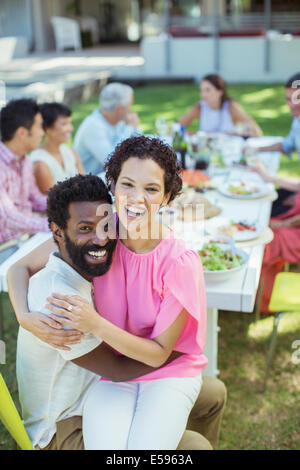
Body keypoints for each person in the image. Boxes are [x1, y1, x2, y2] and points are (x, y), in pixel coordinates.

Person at [7, 141, 226, 449]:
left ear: (167, 196)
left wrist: (175, 357)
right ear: (112, 185)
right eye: (127, 184)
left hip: (126, 371)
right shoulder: (96, 241)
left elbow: (158, 353)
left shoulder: (151, 250)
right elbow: (20, 267)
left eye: (151, 189)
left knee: (212, 392)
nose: (137, 198)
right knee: (190, 448)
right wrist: (24, 317)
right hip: (84, 401)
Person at [246, 73, 300, 217]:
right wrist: (256, 149)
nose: (291, 104)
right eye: (288, 99)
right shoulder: (298, 120)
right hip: (297, 190)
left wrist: (269, 177)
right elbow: (287, 145)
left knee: (263, 215)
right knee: (259, 202)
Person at [0, 99, 50, 250]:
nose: (43, 132)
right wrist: (51, 225)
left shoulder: (25, 160)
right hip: (6, 248)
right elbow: (6, 217)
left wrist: (69, 206)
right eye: (39, 126)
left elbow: (36, 200)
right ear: (21, 132)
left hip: (27, 239)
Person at [251, 160, 300, 313]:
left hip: (295, 228)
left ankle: (261, 295)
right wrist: (270, 178)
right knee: (257, 221)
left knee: (267, 240)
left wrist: (284, 224)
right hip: (293, 218)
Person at [73, 82, 140, 175]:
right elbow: (112, 162)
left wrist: (134, 128)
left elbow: (139, 144)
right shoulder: (93, 126)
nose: (130, 109)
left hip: (106, 178)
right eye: (129, 105)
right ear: (120, 109)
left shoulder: (119, 121)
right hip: (89, 182)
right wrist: (130, 127)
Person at [178, 73, 263, 137]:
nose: (203, 95)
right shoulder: (199, 107)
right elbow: (178, 128)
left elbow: (257, 133)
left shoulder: (231, 107)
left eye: (207, 90)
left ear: (220, 92)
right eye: (201, 90)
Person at [30, 103, 85, 194]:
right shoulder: (40, 162)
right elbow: (53, 199)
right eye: (64, 124)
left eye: (70, 123)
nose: (70, 128)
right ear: (47, 128)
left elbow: (86, 184)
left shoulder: (71, 152)